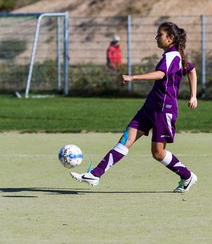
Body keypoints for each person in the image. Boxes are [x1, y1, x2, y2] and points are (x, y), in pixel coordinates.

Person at [71, 22, 198, 193]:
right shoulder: (172, 56)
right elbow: (190, 69)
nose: (156, 38)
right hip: (150, 106)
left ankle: (187, 176)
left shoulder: (173, 56)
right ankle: (95, 174)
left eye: (159, 34)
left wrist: (133, 77)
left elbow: (163, 74)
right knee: (126, 139)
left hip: (163, 109)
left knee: (158, 153)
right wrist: (193, 95)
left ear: (170, 38)